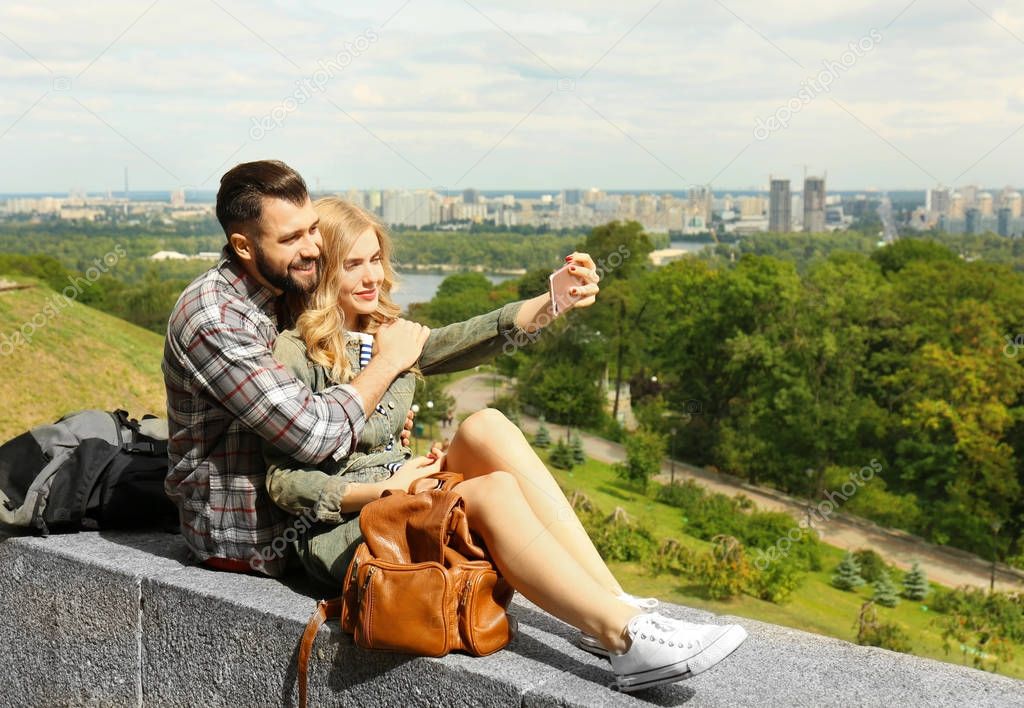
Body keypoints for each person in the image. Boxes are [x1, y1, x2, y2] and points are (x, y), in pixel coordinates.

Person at [265, 197, 748, 692]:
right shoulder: (294, 350)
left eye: (376, 260)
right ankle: (624, 639)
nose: (372, 277)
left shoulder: (387, 332)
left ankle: (614, 602)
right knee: (491, 490)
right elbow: (283, 484)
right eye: (353, 265)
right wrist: (389, 488)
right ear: (323, 273)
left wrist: (552, 300)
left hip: (403, 495)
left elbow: (469, 338)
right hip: (344, 533)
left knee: (486, 425)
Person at [162, 160, 417, 577]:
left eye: (313, 228)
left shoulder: (285, 283)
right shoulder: (215, 319)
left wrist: (381, 424)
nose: (313, 247)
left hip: (323, 507)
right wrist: (386, 367)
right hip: (250, 537)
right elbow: (313, 434)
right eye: (292, 237)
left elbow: (340, 371)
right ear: (244, 246)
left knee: (483, 457)